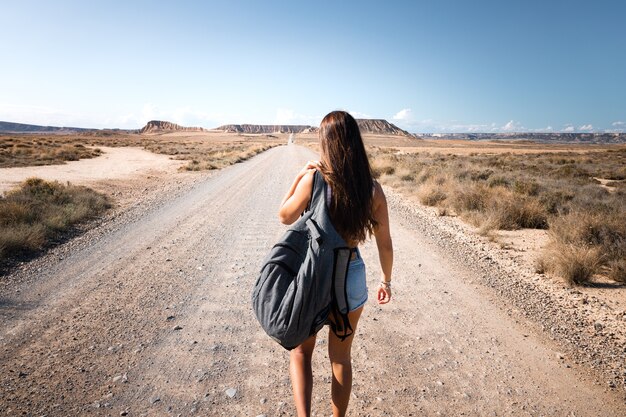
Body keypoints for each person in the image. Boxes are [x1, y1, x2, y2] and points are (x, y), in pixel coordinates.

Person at [278, 110, 394, 417]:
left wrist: (299, 177)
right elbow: (385, 243)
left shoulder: (315, 179)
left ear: (326, 142)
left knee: (302, 352)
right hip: (350, 274)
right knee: (341, 358)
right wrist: (386, 280)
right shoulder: (372, 189)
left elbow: (284, 216)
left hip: (315, 273)